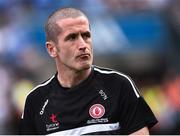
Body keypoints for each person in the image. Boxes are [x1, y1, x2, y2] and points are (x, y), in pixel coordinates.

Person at [19, 7, 158, 135]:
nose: (83, 45)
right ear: (52, 49)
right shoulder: (36, 101)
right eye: (72, 37)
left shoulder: (119, 86)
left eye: (86, 35)